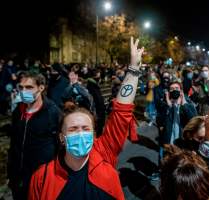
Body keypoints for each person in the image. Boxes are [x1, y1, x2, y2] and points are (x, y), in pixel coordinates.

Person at [28, 37, 143, 200]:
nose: (81, 133)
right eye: (73, 129)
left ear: (94, 134)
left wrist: (133, 69)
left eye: (86, 128)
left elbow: (121, 113)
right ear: (62, 137)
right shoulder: (42, 178)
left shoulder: (104, 154)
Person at [7, 71, 61, 200]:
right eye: (21, 87)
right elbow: (13, 143)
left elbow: (60, 146)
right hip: (18, 179)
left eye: (29, 87)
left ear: (41, 88)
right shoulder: (18, 111)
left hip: (41, 179)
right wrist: (11, 173)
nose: (24, 91)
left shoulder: (53, 113)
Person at [86, 69, 106, 135]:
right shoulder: (92, 86)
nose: (99, 78)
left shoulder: (94, 85)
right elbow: (97, 101)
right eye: (98, 76)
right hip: (98, 113)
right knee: (98, 131)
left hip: (99, 113)